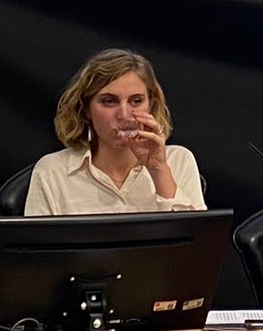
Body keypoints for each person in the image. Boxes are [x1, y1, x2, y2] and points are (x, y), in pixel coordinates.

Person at [25, 49, 206, 214]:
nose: (124, 115)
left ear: (151, 105)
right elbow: (38, 240)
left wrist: (159, 170)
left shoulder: (179, 160)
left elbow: (196, 237)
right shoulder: (52, 171)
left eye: (136, 101)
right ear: (86, 109)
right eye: (109, 101)